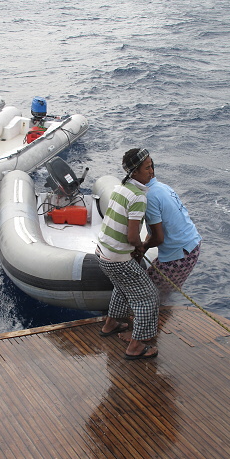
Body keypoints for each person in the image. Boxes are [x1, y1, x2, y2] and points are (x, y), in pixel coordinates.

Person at [96, 148, 160, 360]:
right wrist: (140, 247)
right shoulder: (139, 197)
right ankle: (136, 346)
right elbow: (133, 237)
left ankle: (111, 324)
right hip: (117, 259)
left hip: (102, 253)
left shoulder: (120, 187)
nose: (152, 171)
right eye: (147, 167)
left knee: (123, 287)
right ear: (134, 172)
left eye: (152, 166)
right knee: (149, 297)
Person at [143, 169, 201, 299]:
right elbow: (155, 229)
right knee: (160, 291)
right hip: (192, 246)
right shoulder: (162, 187)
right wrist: (144, 248)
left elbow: (158, 238)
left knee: (146, 291)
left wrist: (141, 248)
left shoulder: (149, 196)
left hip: (181, 254)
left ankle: (154, 316)